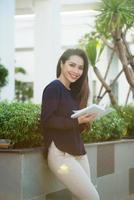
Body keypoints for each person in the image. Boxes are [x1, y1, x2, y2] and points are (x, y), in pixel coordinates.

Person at [40, 48, 100, 200]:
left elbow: (71, 125)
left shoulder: (73, 92)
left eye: (80, 67)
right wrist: (77, 120)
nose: (76, 71)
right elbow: (47, 121)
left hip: (79, 152)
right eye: (72, 65)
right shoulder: (53, 88)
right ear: (62, 64)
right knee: (92, 197)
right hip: (61, 155)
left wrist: (85, 120)